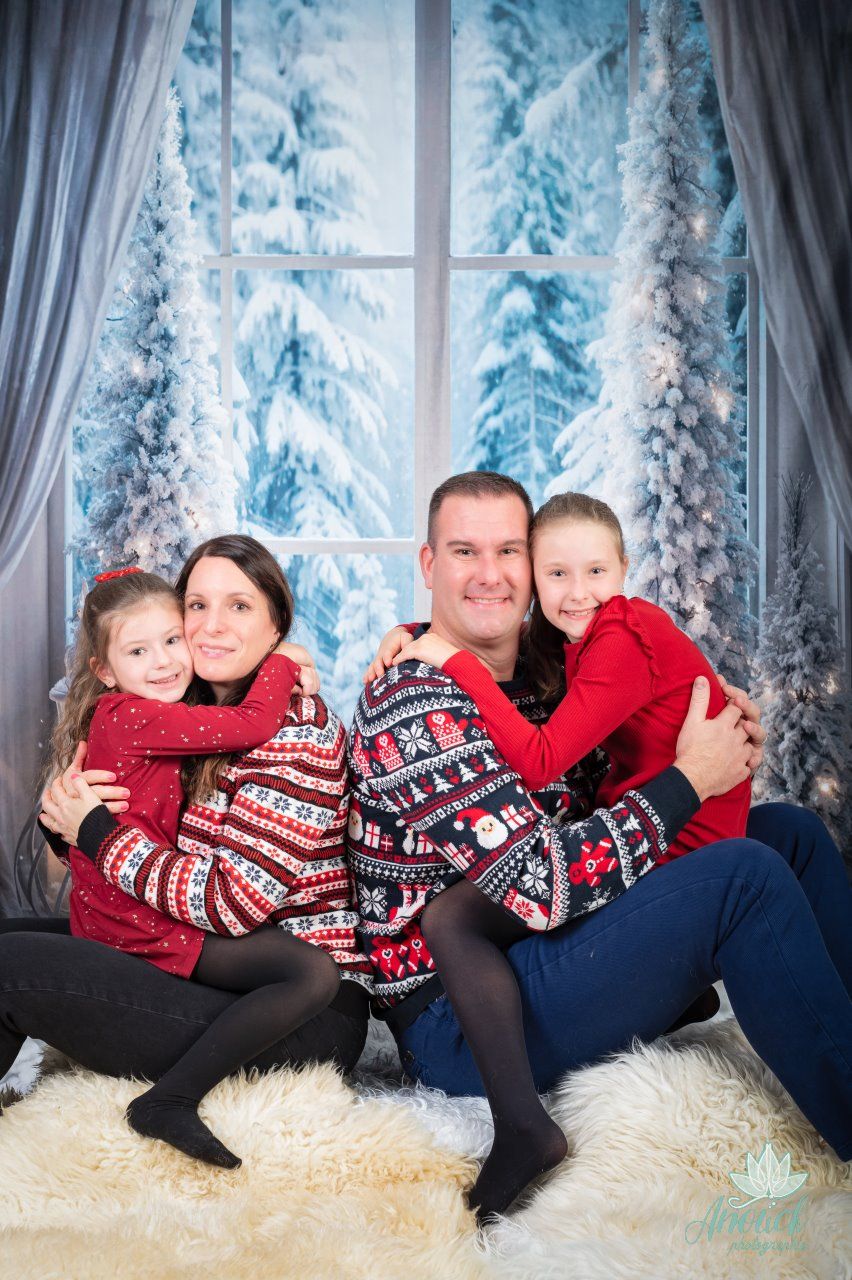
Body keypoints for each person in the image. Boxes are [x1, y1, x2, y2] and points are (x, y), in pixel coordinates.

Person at [348, 471, 852, 1223]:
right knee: (742, 877)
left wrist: (712, 713)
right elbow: (538, 884)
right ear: (428, 566)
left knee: (792, 835)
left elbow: (618, 747)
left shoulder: (542, 663)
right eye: (463, 551)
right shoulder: (414, 704)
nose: (489, 574)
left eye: (509, 551)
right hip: (463, 1019)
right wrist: (689, 778)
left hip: (545, 939)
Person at [2, 536, 370, 1138]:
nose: (212, 626)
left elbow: (231, 903)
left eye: (240, 607)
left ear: (277, 624)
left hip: (293, 1010)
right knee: (11, 934)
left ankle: (167, 1104)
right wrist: (66, 818)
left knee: (8, 967)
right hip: (201, 963)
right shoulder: (186, 707)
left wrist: (93, 831)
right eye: (196, 606)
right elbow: (131, 835)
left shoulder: (293, 733)